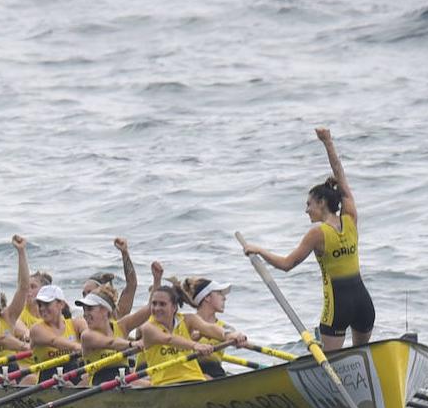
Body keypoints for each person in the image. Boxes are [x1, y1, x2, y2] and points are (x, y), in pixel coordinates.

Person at [242, 128, 374, 351]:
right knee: (362, 358)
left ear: (321, 202)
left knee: (334, 367)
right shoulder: (351, 217)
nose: (306, 210)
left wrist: (258, 250)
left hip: (337, 310)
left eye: (308, 204)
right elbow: (341, 176)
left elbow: (286, 265)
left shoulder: (317, 234)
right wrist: (328, 142)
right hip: (364, 305)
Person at [135, 279, 247, 385]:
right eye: (154, 304)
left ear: (174, 307)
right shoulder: (148, 328)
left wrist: (230, 335)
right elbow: (168, 339)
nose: (156, 308)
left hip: (195, 378)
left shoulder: (188, 320)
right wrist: (196, 345)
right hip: (166, 383)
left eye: (162, 304)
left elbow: (209, 328)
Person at [75, 284, 150, 386]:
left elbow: (150, 309)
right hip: (100, 382)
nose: (85, 314)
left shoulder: (122, 326)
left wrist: (157, 279)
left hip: (125, 378)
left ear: (105, 310)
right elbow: (111, 342)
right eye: (84, 310)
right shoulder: (87, 335)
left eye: (89, 309)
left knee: (153, 383)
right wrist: (132, 344)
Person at [173, 276, 235, 379]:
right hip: (187, 374)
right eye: (219, 293)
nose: (224, 298)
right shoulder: (184, 322)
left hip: (216, 374)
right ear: (207, 297)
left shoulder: (226, 328)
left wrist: (237, 338)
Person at [27, 283, 86, 384]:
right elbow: (54, 341)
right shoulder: (36, 329)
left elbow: (89, 337)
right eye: (40, 305)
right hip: (47, 377)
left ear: (61, 304)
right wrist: (79, 347)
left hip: (73, 373)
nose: (41, 309)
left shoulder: (76, 324)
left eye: (47, 304)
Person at [80, 237, 139, 317]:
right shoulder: (80, 323)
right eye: (84, 294)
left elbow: (131, 284)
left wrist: (124, 253)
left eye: (89, 292)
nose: (86, 297)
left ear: (103, 293)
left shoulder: (117, 316)